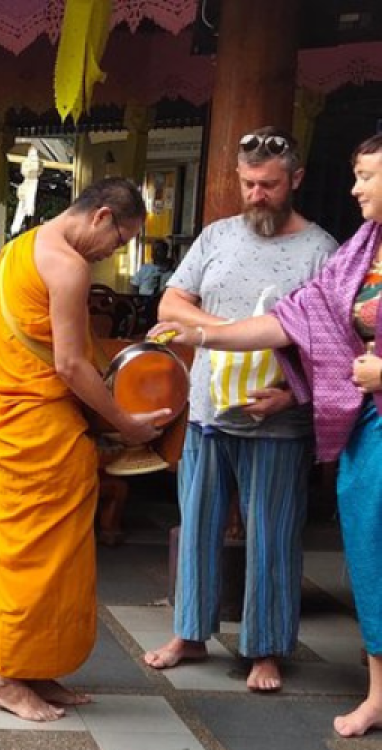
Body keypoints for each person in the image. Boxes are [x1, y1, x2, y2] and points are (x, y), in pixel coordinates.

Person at [151, 134, 382, 738]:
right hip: (210, 408)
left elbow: (325, 337)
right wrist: (218, 332)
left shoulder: (324, 248)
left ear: (295, 179)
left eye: (269, 184)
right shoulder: (221, 236)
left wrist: (292, 392)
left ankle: (266, 646)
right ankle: (190, 632)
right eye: (248, 183)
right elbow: (177, 305)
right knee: (198, 520)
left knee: (273, 533)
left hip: (280, 420)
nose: (257, 194)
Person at [0, 178, 162, 721]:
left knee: (57, 558)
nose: (116, 252)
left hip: (22, 417)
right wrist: (124, 421)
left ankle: (35, 667)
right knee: (34, 558)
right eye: (122, 239)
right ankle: (6, 677)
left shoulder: (21, 247)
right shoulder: (69, 265)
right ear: (102, 216)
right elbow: (69, 364)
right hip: (37, 428)